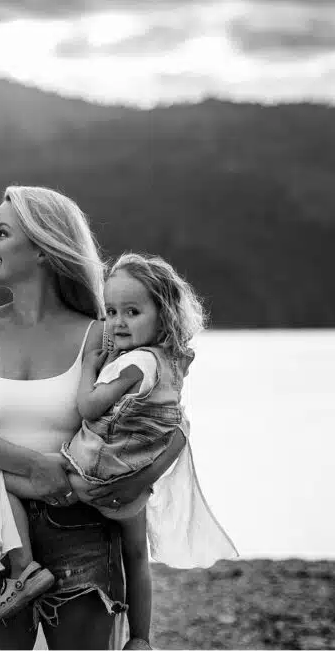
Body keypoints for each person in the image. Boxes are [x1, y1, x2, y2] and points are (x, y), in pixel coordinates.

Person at [0, 186, 187, 650]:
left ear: (43, 249)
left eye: (1, 233)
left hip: (86, 532)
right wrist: (35, 466)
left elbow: (164, 421)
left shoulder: (105, 334)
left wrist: (131, 483)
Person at [59, 252, 238, 648]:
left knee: (24, 481)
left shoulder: (135, 363)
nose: (118, 322)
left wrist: (89, 365)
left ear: (163, 314)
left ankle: (21, 567)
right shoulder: (169, 363)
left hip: (97, 474)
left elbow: (88, 407)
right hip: (135, 482)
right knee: (136, 557)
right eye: (110, 311)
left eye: (132, 311)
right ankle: (139, 638)